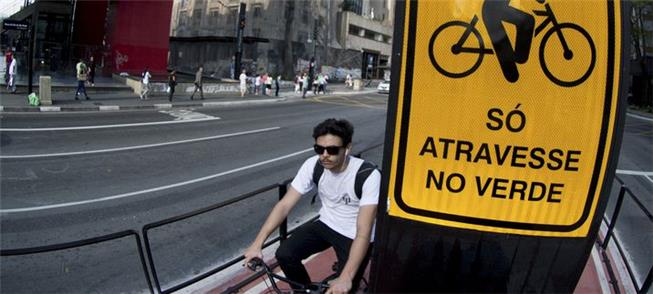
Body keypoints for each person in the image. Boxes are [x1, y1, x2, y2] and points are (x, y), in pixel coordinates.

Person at [243, 118, 380, 294]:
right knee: (285, 253)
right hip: (327, 223)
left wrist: (346, 277)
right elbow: (284, 205)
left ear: (347, 148)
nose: (324, 155)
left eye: (332, 150)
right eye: (319, 149)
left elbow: (363, 232)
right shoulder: (313, 165)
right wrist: (257, 243)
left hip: (355, 234)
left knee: (345, 287)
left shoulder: (368, 176)